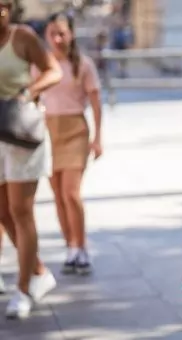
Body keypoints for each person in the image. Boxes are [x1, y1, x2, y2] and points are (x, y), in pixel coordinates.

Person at [0, 0, 62, 319]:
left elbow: (54, 70)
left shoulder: (21, 37)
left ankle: (22, 290)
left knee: (21, 210)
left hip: (20, 132)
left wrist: (29, 92)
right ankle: (38, 271)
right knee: (3, 213)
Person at [36, 13, 103, 276]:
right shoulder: (41, 64)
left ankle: (82, 246)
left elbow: (96, 102)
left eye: (62, 33)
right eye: (52, 33)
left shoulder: (83, 65)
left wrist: (97, 137)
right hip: (47, 131)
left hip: (75, 129)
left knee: (71, 193)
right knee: (58, 195)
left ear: (71, 34)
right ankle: (70, 247)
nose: (57, 38)